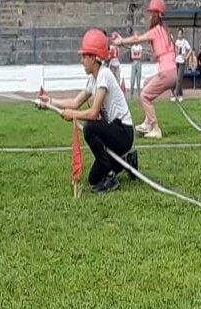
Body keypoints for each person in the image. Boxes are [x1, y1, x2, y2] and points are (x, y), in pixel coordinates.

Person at [40, 29, 136, 193]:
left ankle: (111, 177)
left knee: (90, 128)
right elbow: (75, 103)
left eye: (84, 56)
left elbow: (93, 113)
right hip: (114, 131)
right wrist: (50, 101)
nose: (82, 60)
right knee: (93, 179)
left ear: (93, 57)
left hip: (123, 133)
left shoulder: (104, 75)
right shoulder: (93, 79)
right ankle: (128, 160)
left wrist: (72, 115)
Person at [111, 0, 177, 139]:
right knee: (147, 83)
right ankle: (147, 122)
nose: (149, 17)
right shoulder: (166, 31)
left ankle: (155, 128)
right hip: (171, 71)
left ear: (156, 15)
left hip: (166, 72)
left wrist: (121, 41)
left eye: (151, 14)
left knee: (145, 95)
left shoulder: (155, 31)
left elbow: (137, 39)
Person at [171, 28, 192, 102]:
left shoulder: (184, 41)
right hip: (176, 61)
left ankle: (175, 95)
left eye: (180, 33)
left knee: (179, 79)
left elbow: (190, 49)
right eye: (178, 33)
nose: (179, 35)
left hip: (182, 62)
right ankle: (181, 95)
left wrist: (186, 57)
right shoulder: (176, 42)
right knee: (177, 79)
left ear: (182, 34)